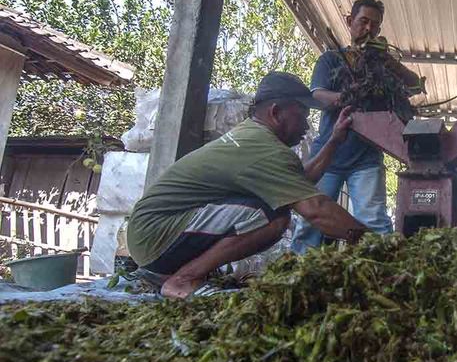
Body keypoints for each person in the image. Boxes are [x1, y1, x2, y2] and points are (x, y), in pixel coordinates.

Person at [126, 72, 368, 299]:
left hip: (149, 236)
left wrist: (335, 140)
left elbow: (300, 182)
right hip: (155, 235)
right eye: (302, 115)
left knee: (272, 207)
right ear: (276, 112)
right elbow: (316, 209)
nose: (306, 126)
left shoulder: (253, 136)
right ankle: (183, 280)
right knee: (274, 216)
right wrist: (375, 241)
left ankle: (176, 273)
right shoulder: (267, 150)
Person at [290, 0, 420, 253]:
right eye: (363, 21)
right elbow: (316, 95)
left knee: (374, 221)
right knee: (310, 223)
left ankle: (383, 273)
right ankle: (295, 274)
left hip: (366, 158)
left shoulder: (382, 67)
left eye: (374, 24)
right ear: (350, 21)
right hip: (327, 156)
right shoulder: (331, 59)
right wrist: (349, 97)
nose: (368, 28)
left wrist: (387, 60)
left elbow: (415, 85)